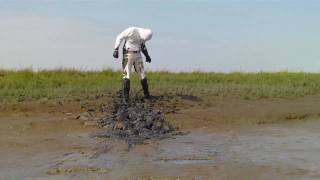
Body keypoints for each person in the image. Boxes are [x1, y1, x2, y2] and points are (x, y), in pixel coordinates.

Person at [113, 27, 153, 102]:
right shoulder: (131, 30)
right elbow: (119, 37)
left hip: (138, 54)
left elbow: (142, 46)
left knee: (142, 74)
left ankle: (146, 95)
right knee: (127, 75)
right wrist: (116, 49)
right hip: (128, 54)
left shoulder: (144, 37)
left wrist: (147, 56)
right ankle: (126, 97)